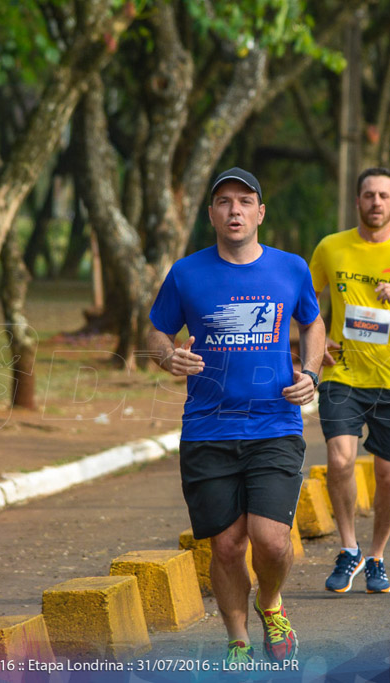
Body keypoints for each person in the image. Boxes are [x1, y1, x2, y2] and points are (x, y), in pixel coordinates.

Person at [147, 167, 325, 664]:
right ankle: (238, 640)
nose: (235, 210)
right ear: (211, 214)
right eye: (224, 202)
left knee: (270, 540)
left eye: (245, 201)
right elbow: (157, 331)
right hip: (208, 429)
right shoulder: (187, 273)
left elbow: (313, 323)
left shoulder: (290, 269)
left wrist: (310, 373)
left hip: (275, 423)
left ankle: (270, 603)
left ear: (260, 213)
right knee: (225, 546)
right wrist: (167, 356)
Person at [309, 167, 390, 594]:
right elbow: (306, 303)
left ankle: (377, 556)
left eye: (384, 196)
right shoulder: (331, 248)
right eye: (369, 195)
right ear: (357, 201)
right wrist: (315, 344)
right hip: (342, 374)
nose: (376, 202)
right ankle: (349, 549)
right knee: (340, 460)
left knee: (389, 475)